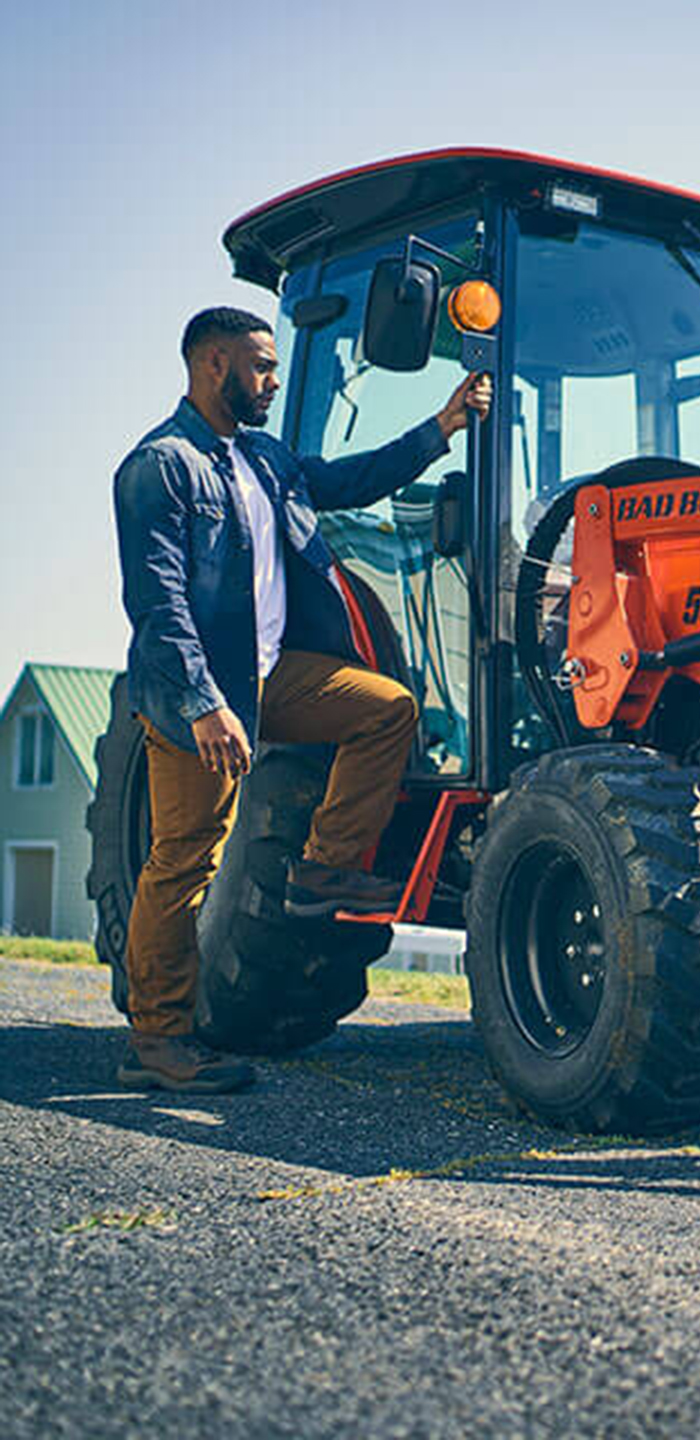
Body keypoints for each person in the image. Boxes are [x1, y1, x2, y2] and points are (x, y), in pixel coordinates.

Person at [112, 306, 492, 1093]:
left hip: (274, 675)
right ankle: (158, 1039)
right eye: (262, 365)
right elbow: (159, 604)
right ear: (213, 363)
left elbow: (353, 481)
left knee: (386, 707)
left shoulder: (266, 460)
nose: (274, 380)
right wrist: (203, 703)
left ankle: (322, 868)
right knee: (185, 860)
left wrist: (442, 427)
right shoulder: (160, 466)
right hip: (202, 691)